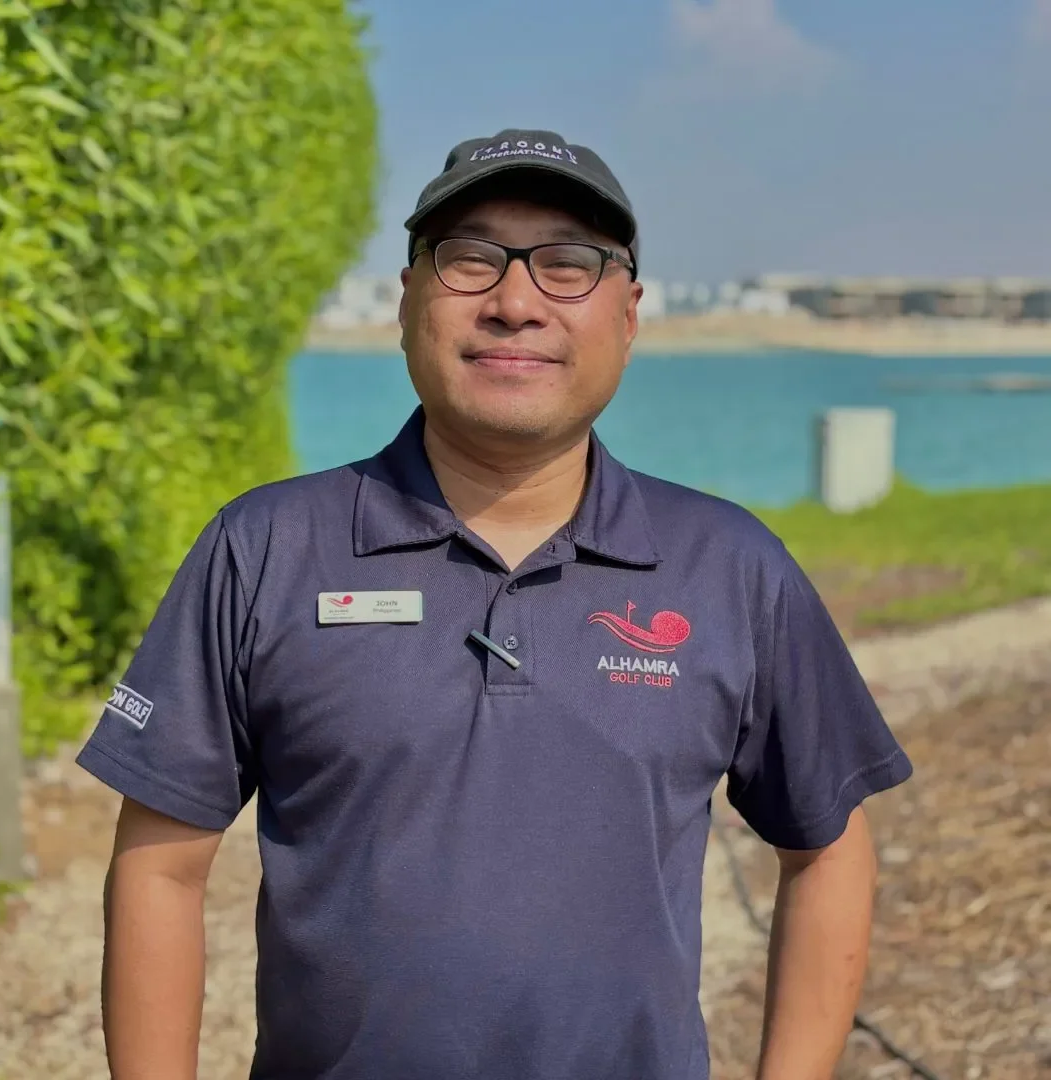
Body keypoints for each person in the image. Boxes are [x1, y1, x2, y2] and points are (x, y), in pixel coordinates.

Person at [78, 127, 913, 1080]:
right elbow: (159, 869)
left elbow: (830, 850)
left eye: (568, 266)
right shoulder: (265, 548)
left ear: (629, 315)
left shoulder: (729, 566)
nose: (516, 303)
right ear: (407, 301)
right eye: (470, 261)